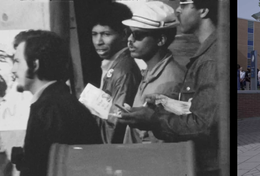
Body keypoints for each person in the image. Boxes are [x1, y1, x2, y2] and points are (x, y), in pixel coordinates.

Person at [120, 0, 223, 174]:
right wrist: (168, 103)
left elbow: (204, 125)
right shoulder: (206, 55)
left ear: (203, 10)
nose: (178, 10)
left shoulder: (209, 60)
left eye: (184, 4)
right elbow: (200, 110)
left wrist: (155, 119)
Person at [10, 30, 103, 176]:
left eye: (16, 61)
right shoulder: (55, 102)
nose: (13, 70)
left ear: (35, 65)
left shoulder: (50, 109)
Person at [122, 1, 186, 144]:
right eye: (128, 33)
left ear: (161, 39)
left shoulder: (168, 83)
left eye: (137, 35)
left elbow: (157, 141)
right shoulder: (152, 72)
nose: (130, 40)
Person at [87, 2, 144, 144]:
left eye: (106, 34)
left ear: (124, 34)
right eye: (94, 34)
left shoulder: (123, 71)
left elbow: (117, 126)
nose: (98, 41)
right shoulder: (113, 65)